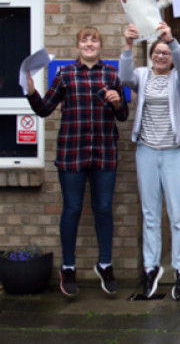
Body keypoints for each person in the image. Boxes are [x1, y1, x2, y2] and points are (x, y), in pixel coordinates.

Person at [26, 26, 129, 298]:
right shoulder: (65, 74)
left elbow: (123, 116)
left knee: (104, 208)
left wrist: (118, 103)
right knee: (71, 209)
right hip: (72, 154)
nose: (89, 43)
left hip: (104, 154)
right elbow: (45, 109)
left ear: (100, 45)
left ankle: (105, 265)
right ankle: (68, 267)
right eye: (85, 39)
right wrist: (31, 90)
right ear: (77, 46)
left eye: (94, 39)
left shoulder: (112, 74)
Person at [119, 21, 180, 301]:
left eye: (166, 53)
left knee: (177, 216)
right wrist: (128, 45)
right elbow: (124, 76)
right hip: (147, 151)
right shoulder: (142, 75)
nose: (161, 56)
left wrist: (172, 40)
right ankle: (151, 268)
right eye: (157, 52)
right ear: (151, 55)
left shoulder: (179, 79)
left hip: (175, 152)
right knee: (150, 214)